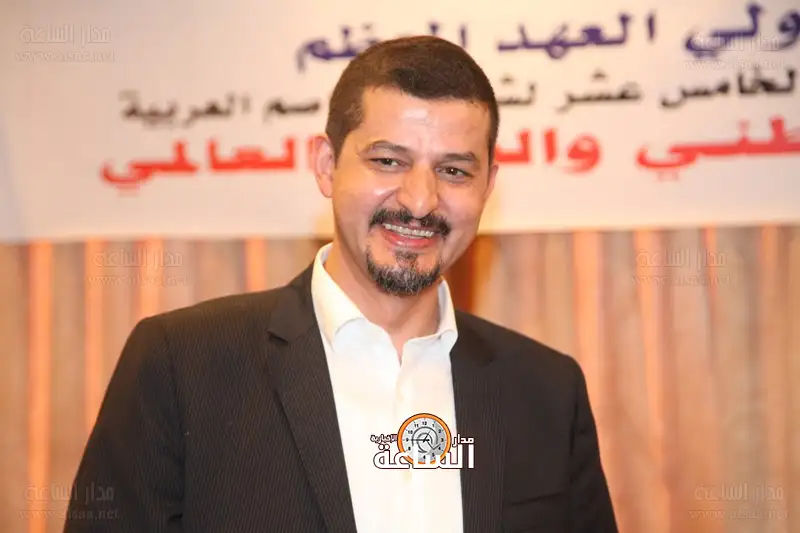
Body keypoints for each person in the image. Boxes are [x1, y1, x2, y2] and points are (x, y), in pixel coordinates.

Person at [64, 36, 618, 533]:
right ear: (327, 165)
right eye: (388, 160)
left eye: (454, 170)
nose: (419, 201)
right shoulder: (181, 366)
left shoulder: (547, 391)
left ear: (487, 185)